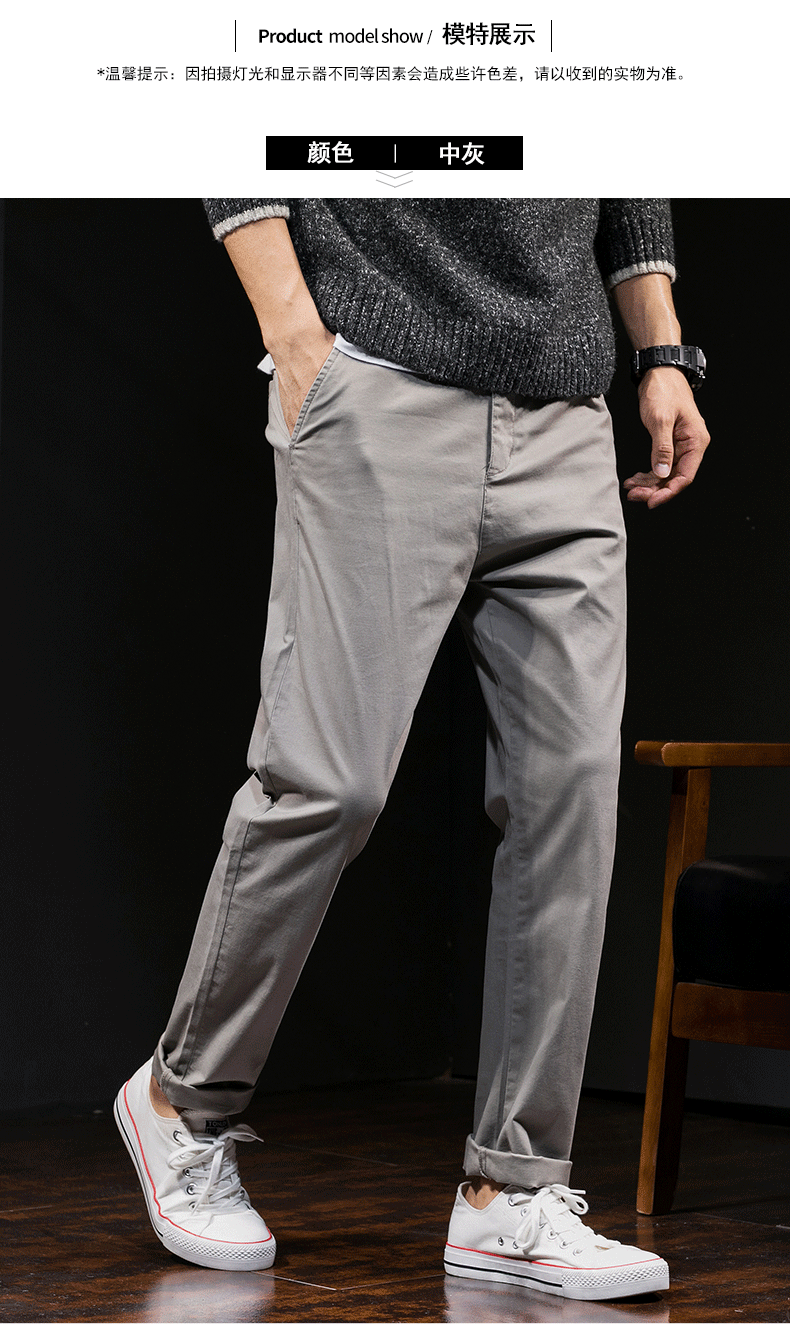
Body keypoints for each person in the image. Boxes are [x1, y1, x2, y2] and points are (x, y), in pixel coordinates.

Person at [115, 199, 709, 1300]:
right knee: (326, 781)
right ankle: (180, 1099)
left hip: (566, 417)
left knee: (570, 798)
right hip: (378, 386)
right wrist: (297, 339)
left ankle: (511, 1190)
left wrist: (661, 351)